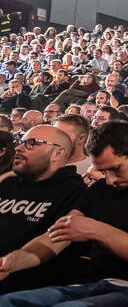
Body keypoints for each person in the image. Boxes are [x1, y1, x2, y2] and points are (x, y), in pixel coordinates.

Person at [0, 121, 128, 307]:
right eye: (102, 171)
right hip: (87, 283)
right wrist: (13, 261)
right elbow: (55, 238)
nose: (110, 180)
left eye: (115, 168)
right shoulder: (100, 189)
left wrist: (96, 230)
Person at [0, 125, 85, 294]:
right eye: (20, 142)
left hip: (27, 287)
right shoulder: (9, 184)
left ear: (58, 153)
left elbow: (53, 241)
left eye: (31, 143)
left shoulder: (76, 192)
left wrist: (9, 263)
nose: (18, 148)